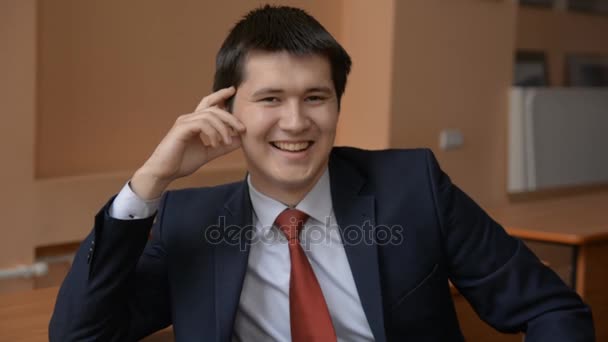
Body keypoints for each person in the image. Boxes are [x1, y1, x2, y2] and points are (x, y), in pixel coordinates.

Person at [49, 5, 594, 342]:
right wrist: (149, 181)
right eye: (270, 99)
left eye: (316, 97)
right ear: (227, 110)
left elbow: (552, 307)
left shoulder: (413, 186)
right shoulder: (186, 220)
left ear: (336, 105)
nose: (296, 121)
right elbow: (79, 335)